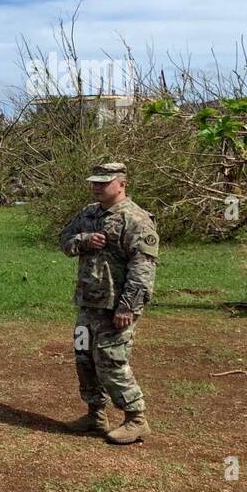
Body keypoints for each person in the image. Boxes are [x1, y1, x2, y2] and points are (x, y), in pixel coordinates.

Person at [59, 162, 159, 445]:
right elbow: (64, 241)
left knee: (111, 361)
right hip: (88, 302)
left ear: (121, 183)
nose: (97, 187)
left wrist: (129, 306)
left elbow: (143, 269)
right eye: (95, 182)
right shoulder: (88, 213)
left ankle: (136, 418)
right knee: (84, 358)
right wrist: (83, 240)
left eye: (104, 182)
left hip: (116, 307)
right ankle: (95, 414)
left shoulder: (136, 220)